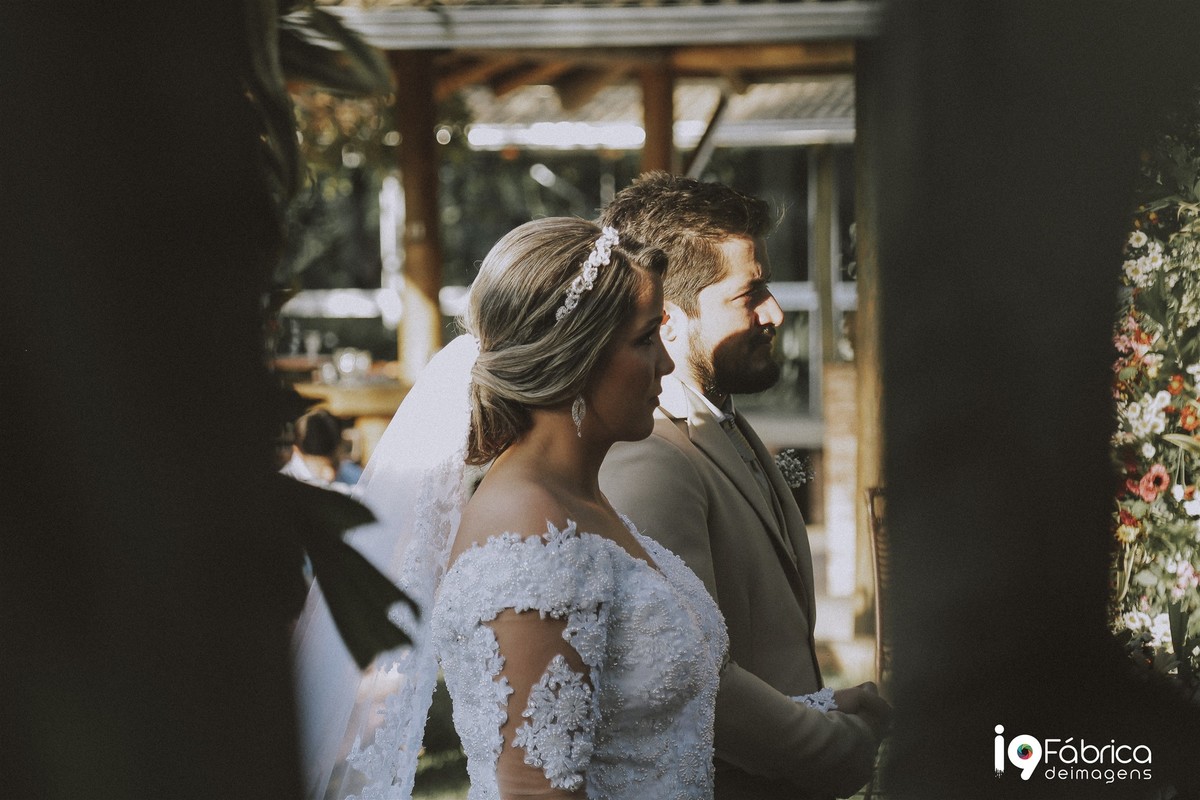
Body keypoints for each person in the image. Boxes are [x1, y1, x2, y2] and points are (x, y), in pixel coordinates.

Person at [292, 217, 728, 800]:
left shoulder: (582, 500)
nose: (667, 365)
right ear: (577, 356)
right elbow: (533, 789)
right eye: (646, 339)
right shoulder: (528, 528)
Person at [597, 172, 890, 800]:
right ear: (669, 320)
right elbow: (681, 678)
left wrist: (825, 701)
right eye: (748, 293)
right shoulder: (647, 454)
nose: (774, 312)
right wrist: (835, 745)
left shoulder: (721, 419)